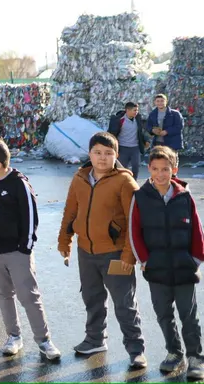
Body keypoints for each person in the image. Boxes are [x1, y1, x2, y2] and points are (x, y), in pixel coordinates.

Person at [57, 132, 146, 369]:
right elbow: (70, 211)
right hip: (86, 252)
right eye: (97, 152)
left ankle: (136, 350)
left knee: (124, 303)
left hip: (115, 254)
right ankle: (95, 340)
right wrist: (64, 241)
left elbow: (135, 221)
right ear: (90, 154)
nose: (102, 158)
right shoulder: (80, 178)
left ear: (116, 155)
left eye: (108, 153)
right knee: (92, 298)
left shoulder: (125, 182)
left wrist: (129, 255)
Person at [0, 140, 62, 360]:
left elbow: (31, 216)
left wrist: (25, 248)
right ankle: (13, 336)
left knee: (29, 296)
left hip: (17, 252)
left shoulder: (19, 184)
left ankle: (44, 341)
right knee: (4, 295)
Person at [130, 146, 204, 378]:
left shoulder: (184, 196)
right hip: (156, 269)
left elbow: (197, 231)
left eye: (165, 169)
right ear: (149, 169)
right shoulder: (140, 197)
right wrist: (144, 260)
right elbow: (134, 231)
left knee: (188, 315)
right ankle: (174, 352)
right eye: (155, 169)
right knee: (163, 314)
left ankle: (196, 358)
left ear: (174, 169)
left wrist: (195, 260)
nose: (160, 174)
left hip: (184, 268)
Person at [108, 102, 148, 179]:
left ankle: (134, 183)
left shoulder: (138, 118)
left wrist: (146, 140)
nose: (136, 112)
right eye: (134, 110)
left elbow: (141, 131)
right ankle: (123, 183)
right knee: (122, 168)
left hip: (135, 147)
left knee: (136, 166)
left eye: (137, 110)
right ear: (127, 110)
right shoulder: (119, 120)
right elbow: (112, 133)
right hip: (122, 147)